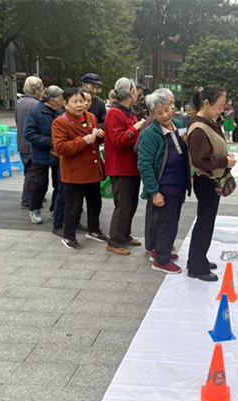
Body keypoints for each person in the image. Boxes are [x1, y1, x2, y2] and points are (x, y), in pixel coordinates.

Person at [186, 85, 237, 281]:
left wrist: (225, 156)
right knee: (204, 224)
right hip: (206, 181)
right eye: (219, 106)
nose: (221, 110)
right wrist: (224, 161)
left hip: (210, 180)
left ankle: (198, 259)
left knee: (206, 222)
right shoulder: (199, 127)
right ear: (206, 103)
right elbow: (200, 160)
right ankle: (197, 267)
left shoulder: (208, 121)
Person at [138, 91, 191, 274]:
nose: (165, 115)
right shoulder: (150, 134)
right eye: (159, 113)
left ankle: (163, 250)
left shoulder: (176, 125)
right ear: (152, 115)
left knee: (172, 221)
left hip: (178, 184)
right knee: (166, 224)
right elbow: (144, 165)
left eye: (167, 110)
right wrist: (154, 192)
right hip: (164, 187)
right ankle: (161, 260)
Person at [52, 87, 107, 250]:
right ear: (65, 104)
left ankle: (94, 230)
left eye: (82, 101)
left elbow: (95, 137)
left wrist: (99, 136)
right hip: (74, 172)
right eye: (74, 101)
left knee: (95, 203)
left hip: (92, 169)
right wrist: (83, 141)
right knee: (73, 207)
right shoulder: (60, 122)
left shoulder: (91, 117)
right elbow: (60, 148)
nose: (79, 105)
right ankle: (69, 236)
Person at [104, 78, 146, 255]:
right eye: (135, 89)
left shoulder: (128, 112)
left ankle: (125, 235)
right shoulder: (114, 113)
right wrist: (136, 128)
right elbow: (119, 140)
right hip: (120, 167)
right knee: (122, 205)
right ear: (130, 93)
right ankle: (114, 241)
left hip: (131, 167)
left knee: (130, 204)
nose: (138, 92)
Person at [23, 85, 64, 225]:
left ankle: (55, 209)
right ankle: (35, 209)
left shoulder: (61, 112)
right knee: (40, 184)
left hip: (58, 155)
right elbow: (29, 133)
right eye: (61, 99)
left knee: (59, 183)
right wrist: (51, 142)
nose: (63, 102)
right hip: (41, 155)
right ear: (52, 100)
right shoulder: (35, 112)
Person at [16, 76, 45, 209]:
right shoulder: (35, 104)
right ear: (36, 89)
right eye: (41, 88)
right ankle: (27, 200)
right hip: (31, 144)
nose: (42, 91)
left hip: (22, 142)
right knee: (32, 173)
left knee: (30, 171)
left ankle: (33, 196)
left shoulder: (21, 102)